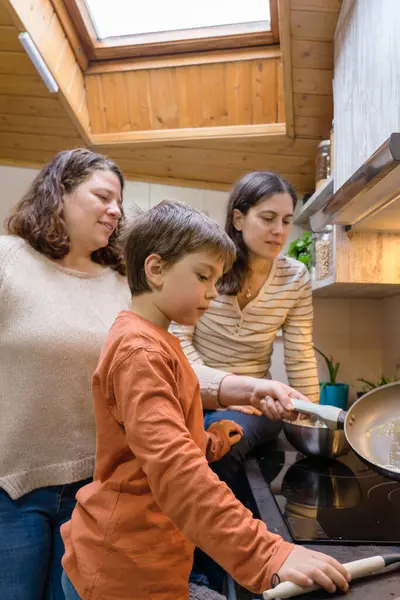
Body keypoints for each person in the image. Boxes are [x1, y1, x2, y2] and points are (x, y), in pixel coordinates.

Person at [60, 200, 351, 600]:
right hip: (123, 570)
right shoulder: (139, 351)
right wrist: (267, 553)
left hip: (149, 558)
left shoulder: (158, 339)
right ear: (156, 269)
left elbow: (153, 439)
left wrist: (214, 439)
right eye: (204, 276)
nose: (213, 293)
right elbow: (175, 469)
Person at [0, 149, 131, 599]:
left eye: (119, 202)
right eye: (103, 196)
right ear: (59, 194)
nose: (116, 211)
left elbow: (161, 366)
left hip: (92, 490)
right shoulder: (8, 260)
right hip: (10, 488)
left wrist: (238, 387)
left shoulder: (120, 283)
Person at [171, 171, 320, 485]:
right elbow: (179, 340)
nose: (279, 231)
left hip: (256, 404)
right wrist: (225, 391)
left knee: (224, 447)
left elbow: (300, 354)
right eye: (267, 218)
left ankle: (217, 533)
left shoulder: (295, 278)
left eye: (286, 220)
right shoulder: (210, 267)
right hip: (195, 392)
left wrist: (314, 417)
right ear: (238, 219)